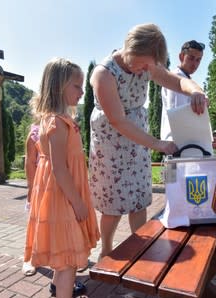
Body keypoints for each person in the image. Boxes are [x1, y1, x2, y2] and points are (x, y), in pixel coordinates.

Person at [89, 23, 208, 259]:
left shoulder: (148, 63)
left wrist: (195, 90)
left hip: (138, 140)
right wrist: (158, 144)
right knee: (113, 203)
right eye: (142, 63)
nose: (146, 70)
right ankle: (107, 250)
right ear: (130, 49)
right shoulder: (104, 73)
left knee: (138, 197)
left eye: (149, 65)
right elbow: (119, 121)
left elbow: (176, 81)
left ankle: (138, 248)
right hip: (111, 143)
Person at [24, 58, 100, 298]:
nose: (81, 91)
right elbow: (59, 168)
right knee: (68, 261)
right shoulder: (56, 122)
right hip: (63, 196)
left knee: (63, 252)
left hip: (64, 193)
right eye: (77, 86)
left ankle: (58, 288)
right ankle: (63, 291)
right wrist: (77, 201)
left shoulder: (61, 120)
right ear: (59, 87)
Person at [160, 40, 205, 141]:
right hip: (180, 142)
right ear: (181, 57)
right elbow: (179, 114)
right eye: (191, 58)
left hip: (182, 141)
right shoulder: (178, 77)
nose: (195, 64)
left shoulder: (185, 79)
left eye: (198, 60)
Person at [21, 121, 40, 277]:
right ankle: (31, 258)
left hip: (61, 187)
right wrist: (32, 187)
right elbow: (30, 163)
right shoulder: (35, 134)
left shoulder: (68, 125)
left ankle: (69, 258)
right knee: (36, 223)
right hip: (40, 187)